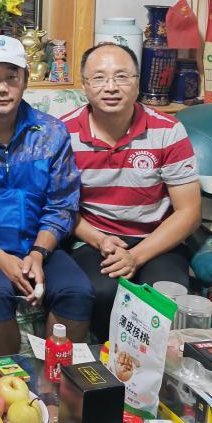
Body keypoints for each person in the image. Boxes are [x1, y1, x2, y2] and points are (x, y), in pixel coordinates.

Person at [0, 35, 93, 355]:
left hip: (39, 245)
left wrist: (38, 253)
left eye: (11, 77)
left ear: (25, 80)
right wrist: (2, 260)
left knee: (77, 290)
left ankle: (57, 379)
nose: (1, 88)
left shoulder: (51, 133)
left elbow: (62, 204)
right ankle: (9, 381)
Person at [61, 43, 201, 340]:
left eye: (122, 77)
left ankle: (155, 369)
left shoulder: (167, 130)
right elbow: (59, 206)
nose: (111, 87)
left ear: (137, 83)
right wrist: (99, 239)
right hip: (95, 239)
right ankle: (108, 364)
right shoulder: (63, 133)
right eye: (99, 78)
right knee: (101, 291)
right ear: (84, 85)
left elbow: (189, 212)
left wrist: (135, 256)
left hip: (157, 239)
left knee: (163, 298)